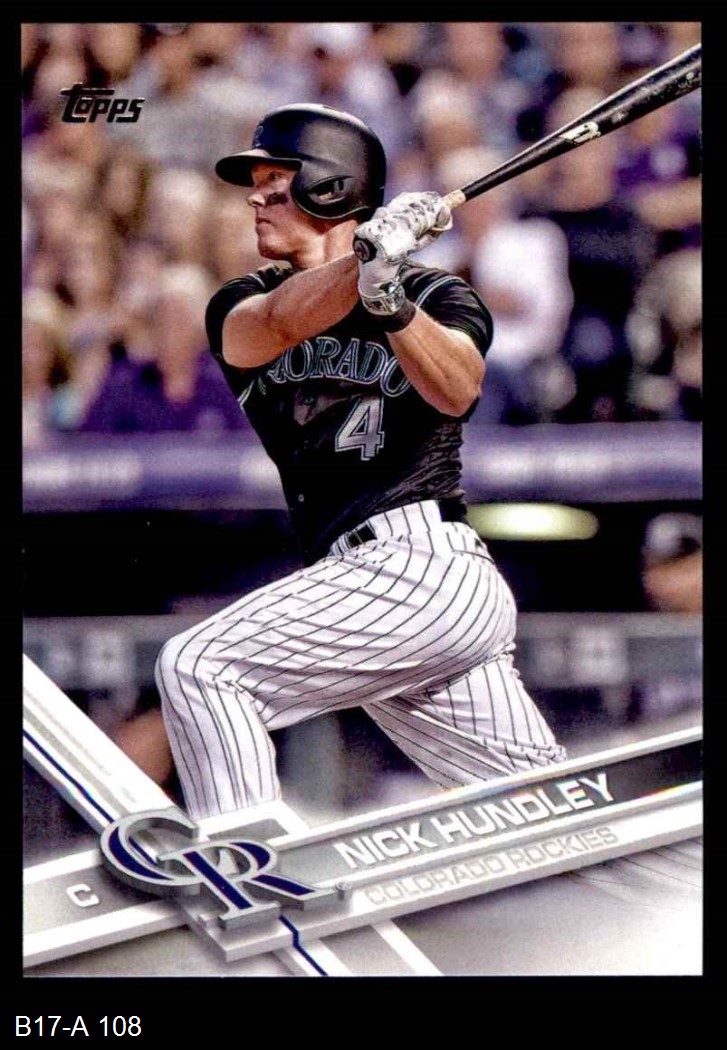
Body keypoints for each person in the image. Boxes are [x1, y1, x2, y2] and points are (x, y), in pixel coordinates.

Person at [155, 103, 566, 819]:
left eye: (275, 181)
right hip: (362, 590)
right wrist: (367, 264)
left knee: (200, 668)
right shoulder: (242, 300)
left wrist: (391, 301)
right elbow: (276, 324)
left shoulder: (434, 293)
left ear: (331, 187)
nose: (254, 198)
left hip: (421, 565)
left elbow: (459, 388)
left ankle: (253, 876)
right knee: (545, 819)